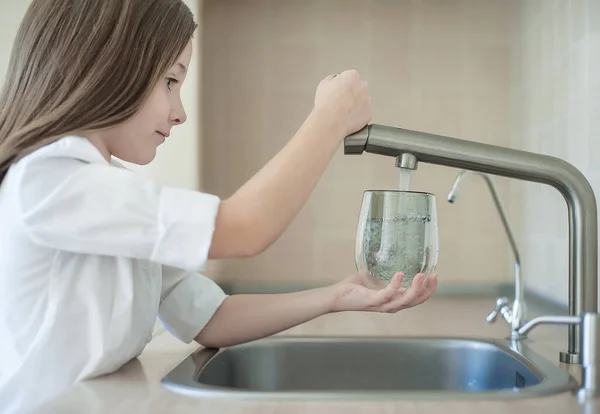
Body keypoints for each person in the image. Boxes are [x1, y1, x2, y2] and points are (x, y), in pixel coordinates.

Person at [0, 0, 438, 412]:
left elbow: (211, 319)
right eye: (171, 81)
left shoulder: (106, 194)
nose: (179, 112)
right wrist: (329, 119)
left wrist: (337, 296)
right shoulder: (51, 182)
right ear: (106, 64)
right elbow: (245, 227)